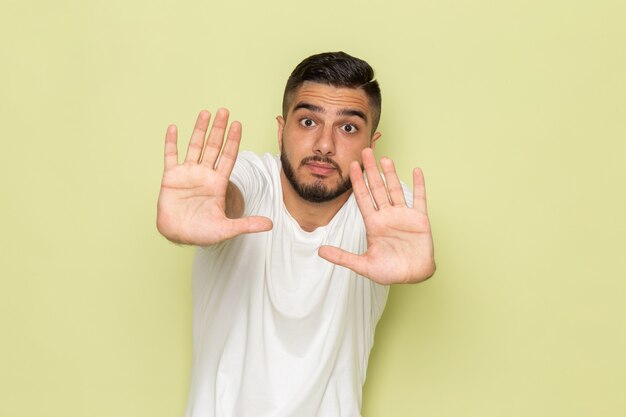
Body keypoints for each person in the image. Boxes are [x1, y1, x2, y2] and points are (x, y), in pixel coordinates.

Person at [157, 51, 435, 417]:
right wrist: (207, 208)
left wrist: (413, 262)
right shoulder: (247, 176)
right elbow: (229, 196)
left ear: (371, 142)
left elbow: (400, 234)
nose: (324, 144)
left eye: (348, 127)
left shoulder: (389, 211)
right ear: (280, 128)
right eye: (307, 122)